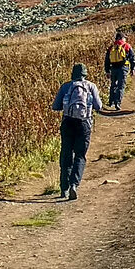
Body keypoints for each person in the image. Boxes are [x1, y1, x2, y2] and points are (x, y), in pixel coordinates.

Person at [50, 63, 103, 200]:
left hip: (67, 123)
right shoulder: (91, 86)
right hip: (84, 124)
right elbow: (99, 106)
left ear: (72, 74)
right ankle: (74, 184)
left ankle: (64, 189)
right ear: (85, 74)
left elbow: (55, 107)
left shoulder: (66, 86)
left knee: (66, 154)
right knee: (80, 155)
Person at [103, 31, 135, 111]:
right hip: (123, 68)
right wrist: (132, 68)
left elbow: (107, 60)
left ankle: (111, 102)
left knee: (113, 85)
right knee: (121, 86)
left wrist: (107, 71)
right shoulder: (126, 46)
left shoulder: (111, 47)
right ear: (122, 38)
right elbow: (132, 58)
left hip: (113, 68)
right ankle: (117, 103)